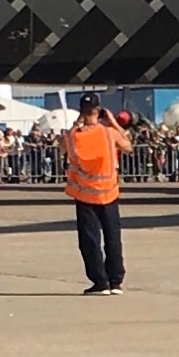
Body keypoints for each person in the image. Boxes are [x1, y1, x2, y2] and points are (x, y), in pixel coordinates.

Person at [64, 100, 127, 295]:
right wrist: (113, 123)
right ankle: (115, 281)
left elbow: (62, 146)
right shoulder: (109, 133)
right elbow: (128, 146)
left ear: (81, 111)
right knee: (113, 238)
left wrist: (77, 123)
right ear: (99, 111)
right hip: (109, 193)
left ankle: (100, 282)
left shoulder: (74, 136)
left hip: (85, 194)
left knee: (90, 240)